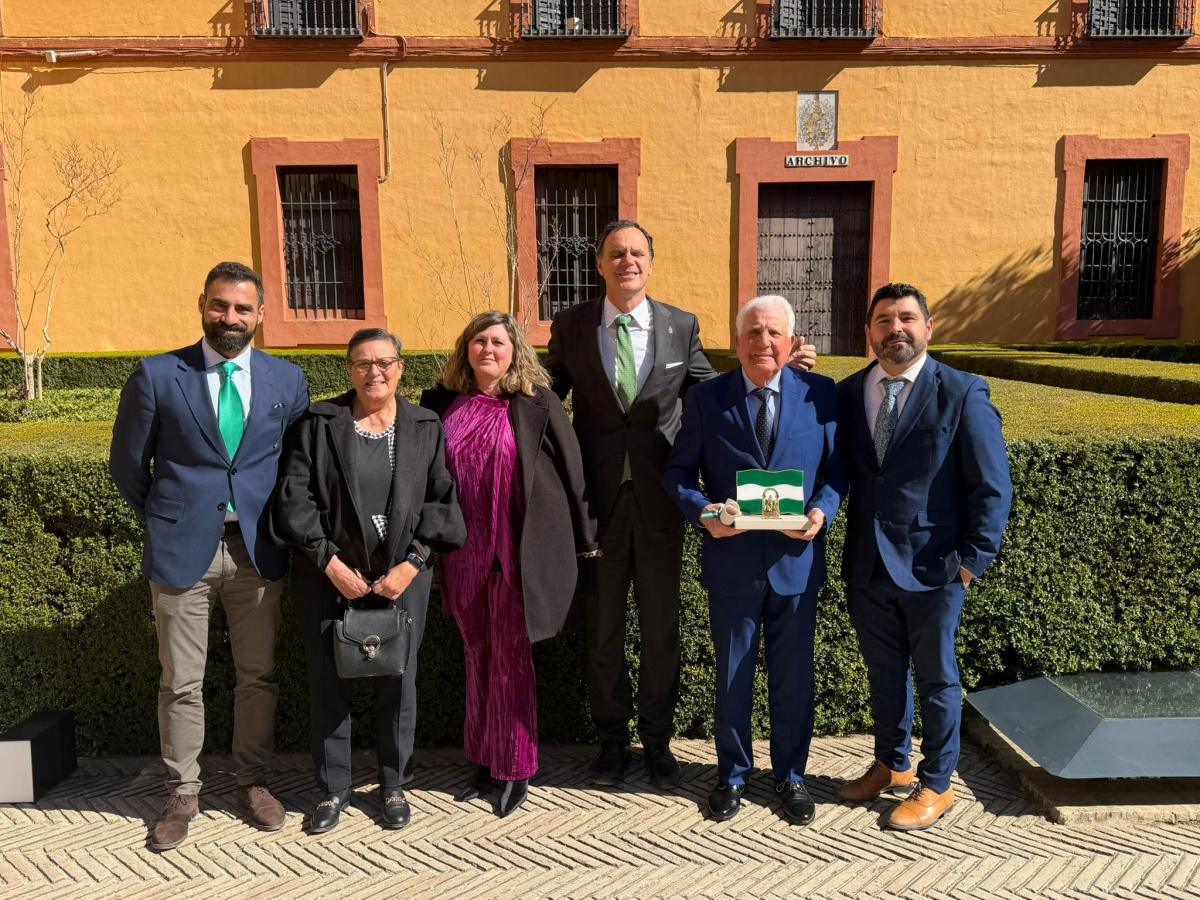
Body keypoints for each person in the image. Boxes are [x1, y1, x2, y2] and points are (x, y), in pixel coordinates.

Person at [544, 219, 818, 788]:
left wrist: (773, 364)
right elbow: (546, 395)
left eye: (637, 253)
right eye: (616, 253)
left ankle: (658, 740)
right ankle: (614, 740)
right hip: (596, 504)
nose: (627, 262)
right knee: (602, 629)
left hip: (661, 501)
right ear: (600, 264)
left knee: (662, 628)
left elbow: (714, 390)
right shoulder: (571, 326)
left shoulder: (679, 325)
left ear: (650, 262)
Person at [109, 262, 310, 852]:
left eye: (243, 309)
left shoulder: (285, 380)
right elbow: (128, 467)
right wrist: (171, 516)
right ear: (202, 304)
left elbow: (295, 466)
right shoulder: (156, 375)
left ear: (261, 314)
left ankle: (253, 780)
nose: (230, 319)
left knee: (258, 675)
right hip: (182, 552)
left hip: (258, 549)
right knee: (181, 682)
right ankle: (183, 793)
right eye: (220, 306)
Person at [271, 328, 466, 834]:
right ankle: (334, 789)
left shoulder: (426, 425)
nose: (373, 372)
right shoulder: (319, 422)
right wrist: (329, 562)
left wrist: (414, 563)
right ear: (348, 368)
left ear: (400, 367)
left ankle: (394, 784)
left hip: (404, 578)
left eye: (384, 362)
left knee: (398, 682)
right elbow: (295, 497)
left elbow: (441, 500)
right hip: (328, 576)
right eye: (362, 363)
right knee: (328, 682)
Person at [836, 283, 1012, 831]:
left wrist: (972, 560)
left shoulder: (962, 392)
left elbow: (992, 485)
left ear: (928, 328)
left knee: (938, 681)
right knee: (884, 677)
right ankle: (891, 764)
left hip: (936, 566)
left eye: (907, 318)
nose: (896, 329)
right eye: (884, 320)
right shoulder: (848, 392)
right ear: (869, 334)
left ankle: (938, 783)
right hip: (867, 565)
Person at [663, 295, 845, 824]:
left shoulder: (821, 395)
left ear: (791, 344)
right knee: (733, 676)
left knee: (793, 678)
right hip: (733, 562)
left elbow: (836, 473)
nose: (763, 342)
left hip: (796, 560)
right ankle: (732, 775)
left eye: (773, 334)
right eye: (752, 333)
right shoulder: (706, 398)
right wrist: (703, 512)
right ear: (738, 341)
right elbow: (677, 474)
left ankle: (791, 777)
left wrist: (822, 512)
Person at [421, 311, 598, 818]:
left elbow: (572, 469)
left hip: (517, 553)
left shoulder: (537, 403)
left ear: (515, 350)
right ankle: (483, 755)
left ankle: (517, 765)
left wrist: (587, 541)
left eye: (498, 341)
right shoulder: (440, 405)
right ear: (466, 349)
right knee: (477, 652)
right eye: (479, 341)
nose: (488, 350)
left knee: (512, 659)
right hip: (462, 554)